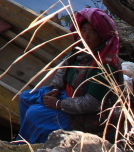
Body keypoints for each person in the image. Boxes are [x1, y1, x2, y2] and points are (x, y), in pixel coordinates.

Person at [17, 8, 123, 144]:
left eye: (93, 32)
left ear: (102, 36)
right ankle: (28, 132)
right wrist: (55, 88)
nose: (86, 36)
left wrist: (58, 104)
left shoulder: (105, 67)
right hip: (68, 96)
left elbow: (90, 104)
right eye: (83, 30)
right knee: (26, 98)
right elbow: (64, 68)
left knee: (34, 114)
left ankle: (37, 142)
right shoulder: (81, 50)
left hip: (89, 116)